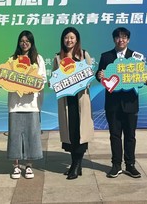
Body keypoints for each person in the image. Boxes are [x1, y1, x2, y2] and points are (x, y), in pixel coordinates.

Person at [96, 27, 147, 179]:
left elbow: (143, 76)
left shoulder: (136, 57)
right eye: (118, 37)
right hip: (113, 104)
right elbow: (99, 75)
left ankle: (130, 165)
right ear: (114, 39)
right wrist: (99, 75)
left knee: (130, 136)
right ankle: (116, 165)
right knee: (115, 135)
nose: (121, 40)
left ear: (128, 39)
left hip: (130, 103)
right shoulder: (106, 56)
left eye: (124, 37)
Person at [53, 27, 95, 180]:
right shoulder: (58, 57)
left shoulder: (83, 54)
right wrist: (55, 83)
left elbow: (90, 75)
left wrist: (83, 81)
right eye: (66, 37)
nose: (69, 40)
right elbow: (55, 78)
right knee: (71, 133)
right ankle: (75, 164)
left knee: (80, 133)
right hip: (66, 100)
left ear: (76, 39)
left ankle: (76, 166)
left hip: (80, 99)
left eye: (72, 37)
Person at [7, 30, 46, 179]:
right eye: (22, 41)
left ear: (31, 43)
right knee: (15, 136)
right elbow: (6, 78)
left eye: (27, 41)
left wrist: (33, 87)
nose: (24, 44)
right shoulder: (12, 59)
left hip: (32, 104)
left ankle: (29, 165)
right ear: (18, 42)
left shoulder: (38, 59)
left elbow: (42, 79)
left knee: (32, 135)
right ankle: (16, 166)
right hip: (15, 104)